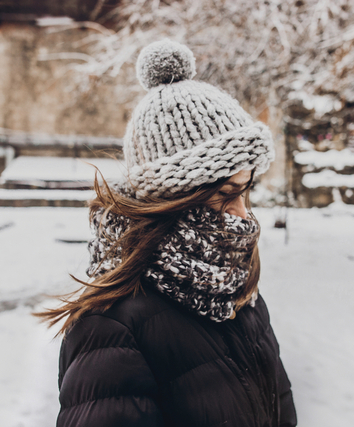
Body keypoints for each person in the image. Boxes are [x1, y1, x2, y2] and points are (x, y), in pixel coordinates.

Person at [36, 39, 297, 427]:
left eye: (245, 192)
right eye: (226, 194)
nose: (243, 214)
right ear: (176, 198)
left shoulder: (237, 294)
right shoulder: (111, 329)